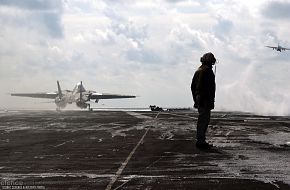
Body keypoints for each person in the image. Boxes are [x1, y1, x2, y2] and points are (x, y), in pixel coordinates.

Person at [191, 52, 216, 149]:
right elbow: (209, 89)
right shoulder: (207, 71)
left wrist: (196, 100)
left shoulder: (199, 70)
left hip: (200, 98)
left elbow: (193, 87)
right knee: (204, 121)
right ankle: (201, 142)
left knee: (202, 120)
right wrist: (209, 101)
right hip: (205, 99)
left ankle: (201, 140)